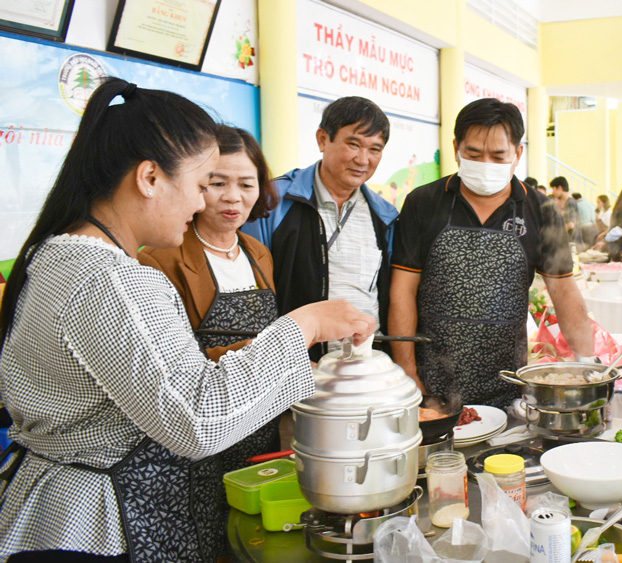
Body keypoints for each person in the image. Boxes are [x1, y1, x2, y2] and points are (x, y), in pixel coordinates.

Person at [0, 79, 375, 563]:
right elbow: (197, 419)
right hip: (101, 521)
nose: (205, 203)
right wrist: (304, 326)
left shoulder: (55, 255)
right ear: (150, 178)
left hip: (55, 501)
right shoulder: (115, 280)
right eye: (202, 185)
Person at [389, 98, 594, 406]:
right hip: (431, 385)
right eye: (473, 154)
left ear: (518, 154)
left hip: (509, 383)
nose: (485, 164)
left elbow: (563, 289)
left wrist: (587, 366)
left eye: (498, 156)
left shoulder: (541, 209)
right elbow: (402, 291)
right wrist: (406, 372)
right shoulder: (424, 202)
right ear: (457, 147)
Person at [138, 125, 285, 463]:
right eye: (218, 183)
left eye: (246, 185)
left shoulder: (260, 254)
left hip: (259, 419)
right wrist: (266, 354)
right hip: (200, 431)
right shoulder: (159, 259)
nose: (233, 197)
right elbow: (172, 368)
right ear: (195, 186)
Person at [242, 96, 398, 359]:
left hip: (365, 364)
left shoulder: (386, 217)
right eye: (353, 144)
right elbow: (250, 291)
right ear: (323, 139)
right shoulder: (273, 202)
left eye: (375, 149)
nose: (363, 159)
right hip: (295, 364)